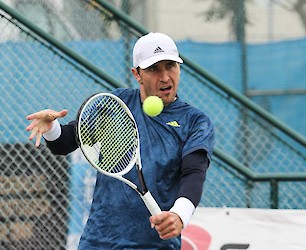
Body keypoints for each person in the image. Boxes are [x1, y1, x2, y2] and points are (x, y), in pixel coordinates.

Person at [26, 32, 215, 249]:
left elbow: (193, 173)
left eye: (170, 66)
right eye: (154, 69)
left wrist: (179, 215)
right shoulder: (115, 105)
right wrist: (52, 128)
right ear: (137, 74)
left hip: (154, 245)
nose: (164, 77)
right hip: (99, 242)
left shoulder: (195, 121)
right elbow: (65, 142)